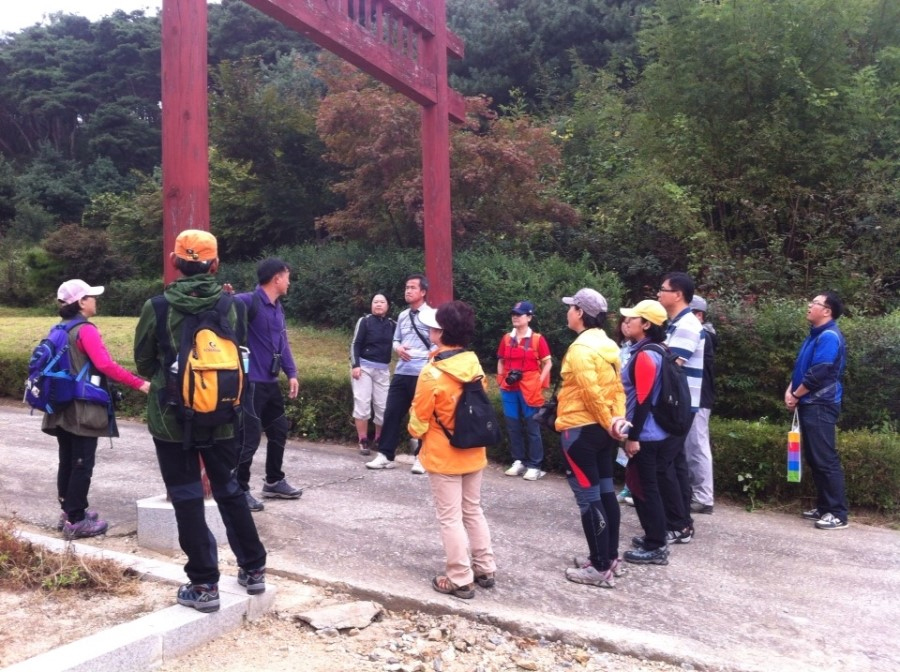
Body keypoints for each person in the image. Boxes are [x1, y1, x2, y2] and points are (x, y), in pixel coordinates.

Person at [134, 229, 267, 613]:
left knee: (188, 496)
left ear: (175, 262)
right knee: (229, 489)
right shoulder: (233, 306)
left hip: (170, 417)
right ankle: (253, 569)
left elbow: (144, 360)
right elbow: (236, 348)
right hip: (224, 412)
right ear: (215, 264)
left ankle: (205, 584)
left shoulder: (157, 306)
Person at [44, 280, 151, 539]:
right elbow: (105, 365)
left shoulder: (58, 328)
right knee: (82, 463)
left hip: (58, 405)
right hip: (81, 408)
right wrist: (140, 384)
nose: (95, 300)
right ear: (81, 302)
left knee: (68, 460)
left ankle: (69, 511)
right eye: (91, 296)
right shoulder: (85, 330)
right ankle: (77, 520)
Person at [407, 301, 496, 599]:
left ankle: (459, 577)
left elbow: (418, 420)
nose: (431, 329)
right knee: (472, 510)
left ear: (441, 333)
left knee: (450, 517)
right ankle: (485, 567)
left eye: (435, 326)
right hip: (474, 450)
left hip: (444, 454)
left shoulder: (432, 373)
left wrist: (415, 433)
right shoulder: (474, 365)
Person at [555, 288, 626, 589]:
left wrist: (607, 421)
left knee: (589, 499)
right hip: (602, 432)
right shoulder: (609, 346)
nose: (568, 312)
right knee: (606, 493)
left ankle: (598, 568)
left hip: (580, 431)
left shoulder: (581, 349)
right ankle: (608, 557)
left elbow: (590, 392)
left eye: (571, 307)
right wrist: (615, 423)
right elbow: (618, 390)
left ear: (581, 313)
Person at [233, 258, 302, 512]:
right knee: (248, 438)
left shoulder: (277, 307)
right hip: (251, 383)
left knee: (279, 430)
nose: (289, 281)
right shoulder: (246, 301)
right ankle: (239, 489)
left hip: (271, 383)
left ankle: (273, 480)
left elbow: (282, 343)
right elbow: (220, 309)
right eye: (287, 276)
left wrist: (291, 372)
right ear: (276, 278)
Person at [616, 300, 681, 566]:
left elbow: (643, 400)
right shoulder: (657, 349)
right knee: (643, 486)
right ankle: (653, 536)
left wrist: (633, 438)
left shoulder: (645, 355)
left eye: (633, 319)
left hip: (646, 435)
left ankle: (656, 545)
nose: (626, 322)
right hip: (655, 432)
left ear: (646, 325)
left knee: (646, 489)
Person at [785, 292, 849, 530]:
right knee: (815, 458)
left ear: (827, 311)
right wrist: (790, 389)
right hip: (809, 402)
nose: (809, 306)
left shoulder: (829, 336)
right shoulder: (815, 335)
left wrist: (796, 393)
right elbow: (802, 368)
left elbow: (819, 372)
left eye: (815, 303)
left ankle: (837, 513)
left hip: (821, 404)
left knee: (825, 459)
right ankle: (824, 507)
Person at [366, 274, 435, 473]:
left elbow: (435, 345)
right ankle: (386, 454)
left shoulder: (432, 315)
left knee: (421, 416)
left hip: (422, 374)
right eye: (406, 287)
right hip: (402, 372)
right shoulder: (403, 315)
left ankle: (422, 458)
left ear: (423, 292)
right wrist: (398, 349)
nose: (408, 291)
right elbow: (396, 340)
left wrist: (416, 354)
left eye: (413, 287)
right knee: (392, 413)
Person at [656, 272, 701, 543]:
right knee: (676, 463)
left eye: (663, 290)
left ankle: (678, 524)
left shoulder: (687, 326)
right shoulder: (675, 323)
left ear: (678, 295)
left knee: (664, 464)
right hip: (681, 405)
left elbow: (671, 367)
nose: (659, 294)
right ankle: (682, 521)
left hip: (680, 407)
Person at [497, 300, 552, 481]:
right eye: (513, 313)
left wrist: (539, 382)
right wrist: (500, 379)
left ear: (529, 317)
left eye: (519, 314)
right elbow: (501, 361)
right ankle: (518, 460)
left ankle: (535, 465)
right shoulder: (506, 338)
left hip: (530, 387)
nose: (515, 317)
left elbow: (547, 363)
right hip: (509, 386)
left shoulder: (537, 339)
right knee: (513, 426)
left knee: (532, 426)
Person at [350, 294, 395, 455]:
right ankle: (362, 439)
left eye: (382, 302)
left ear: (387, 306)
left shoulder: (392, 325)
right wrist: (356, 365)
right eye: (375, 302)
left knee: (383, 406)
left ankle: (378, 438)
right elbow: (355, 344)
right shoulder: (365, 321)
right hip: (364, 369)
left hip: (382, 370)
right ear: (371, 305)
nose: (378, 305)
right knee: (362, 403)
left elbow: (399, 343)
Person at [685, 295, 718, 514]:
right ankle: (695, 493)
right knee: (690, 446)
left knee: (697, 445)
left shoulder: (703, 334)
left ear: (698, 315)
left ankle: (704, 497)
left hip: (698, 398)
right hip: (693, 397)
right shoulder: (701, 333)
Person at [616, 317, 635, 507]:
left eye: (631, 321)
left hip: (631, 403)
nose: (626, 325)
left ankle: (633, 488)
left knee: (632, 446)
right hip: (619, 401)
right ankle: (627, 486)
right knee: (622, 446)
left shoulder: (640, 349)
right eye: (624, 321)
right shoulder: (621, 347)